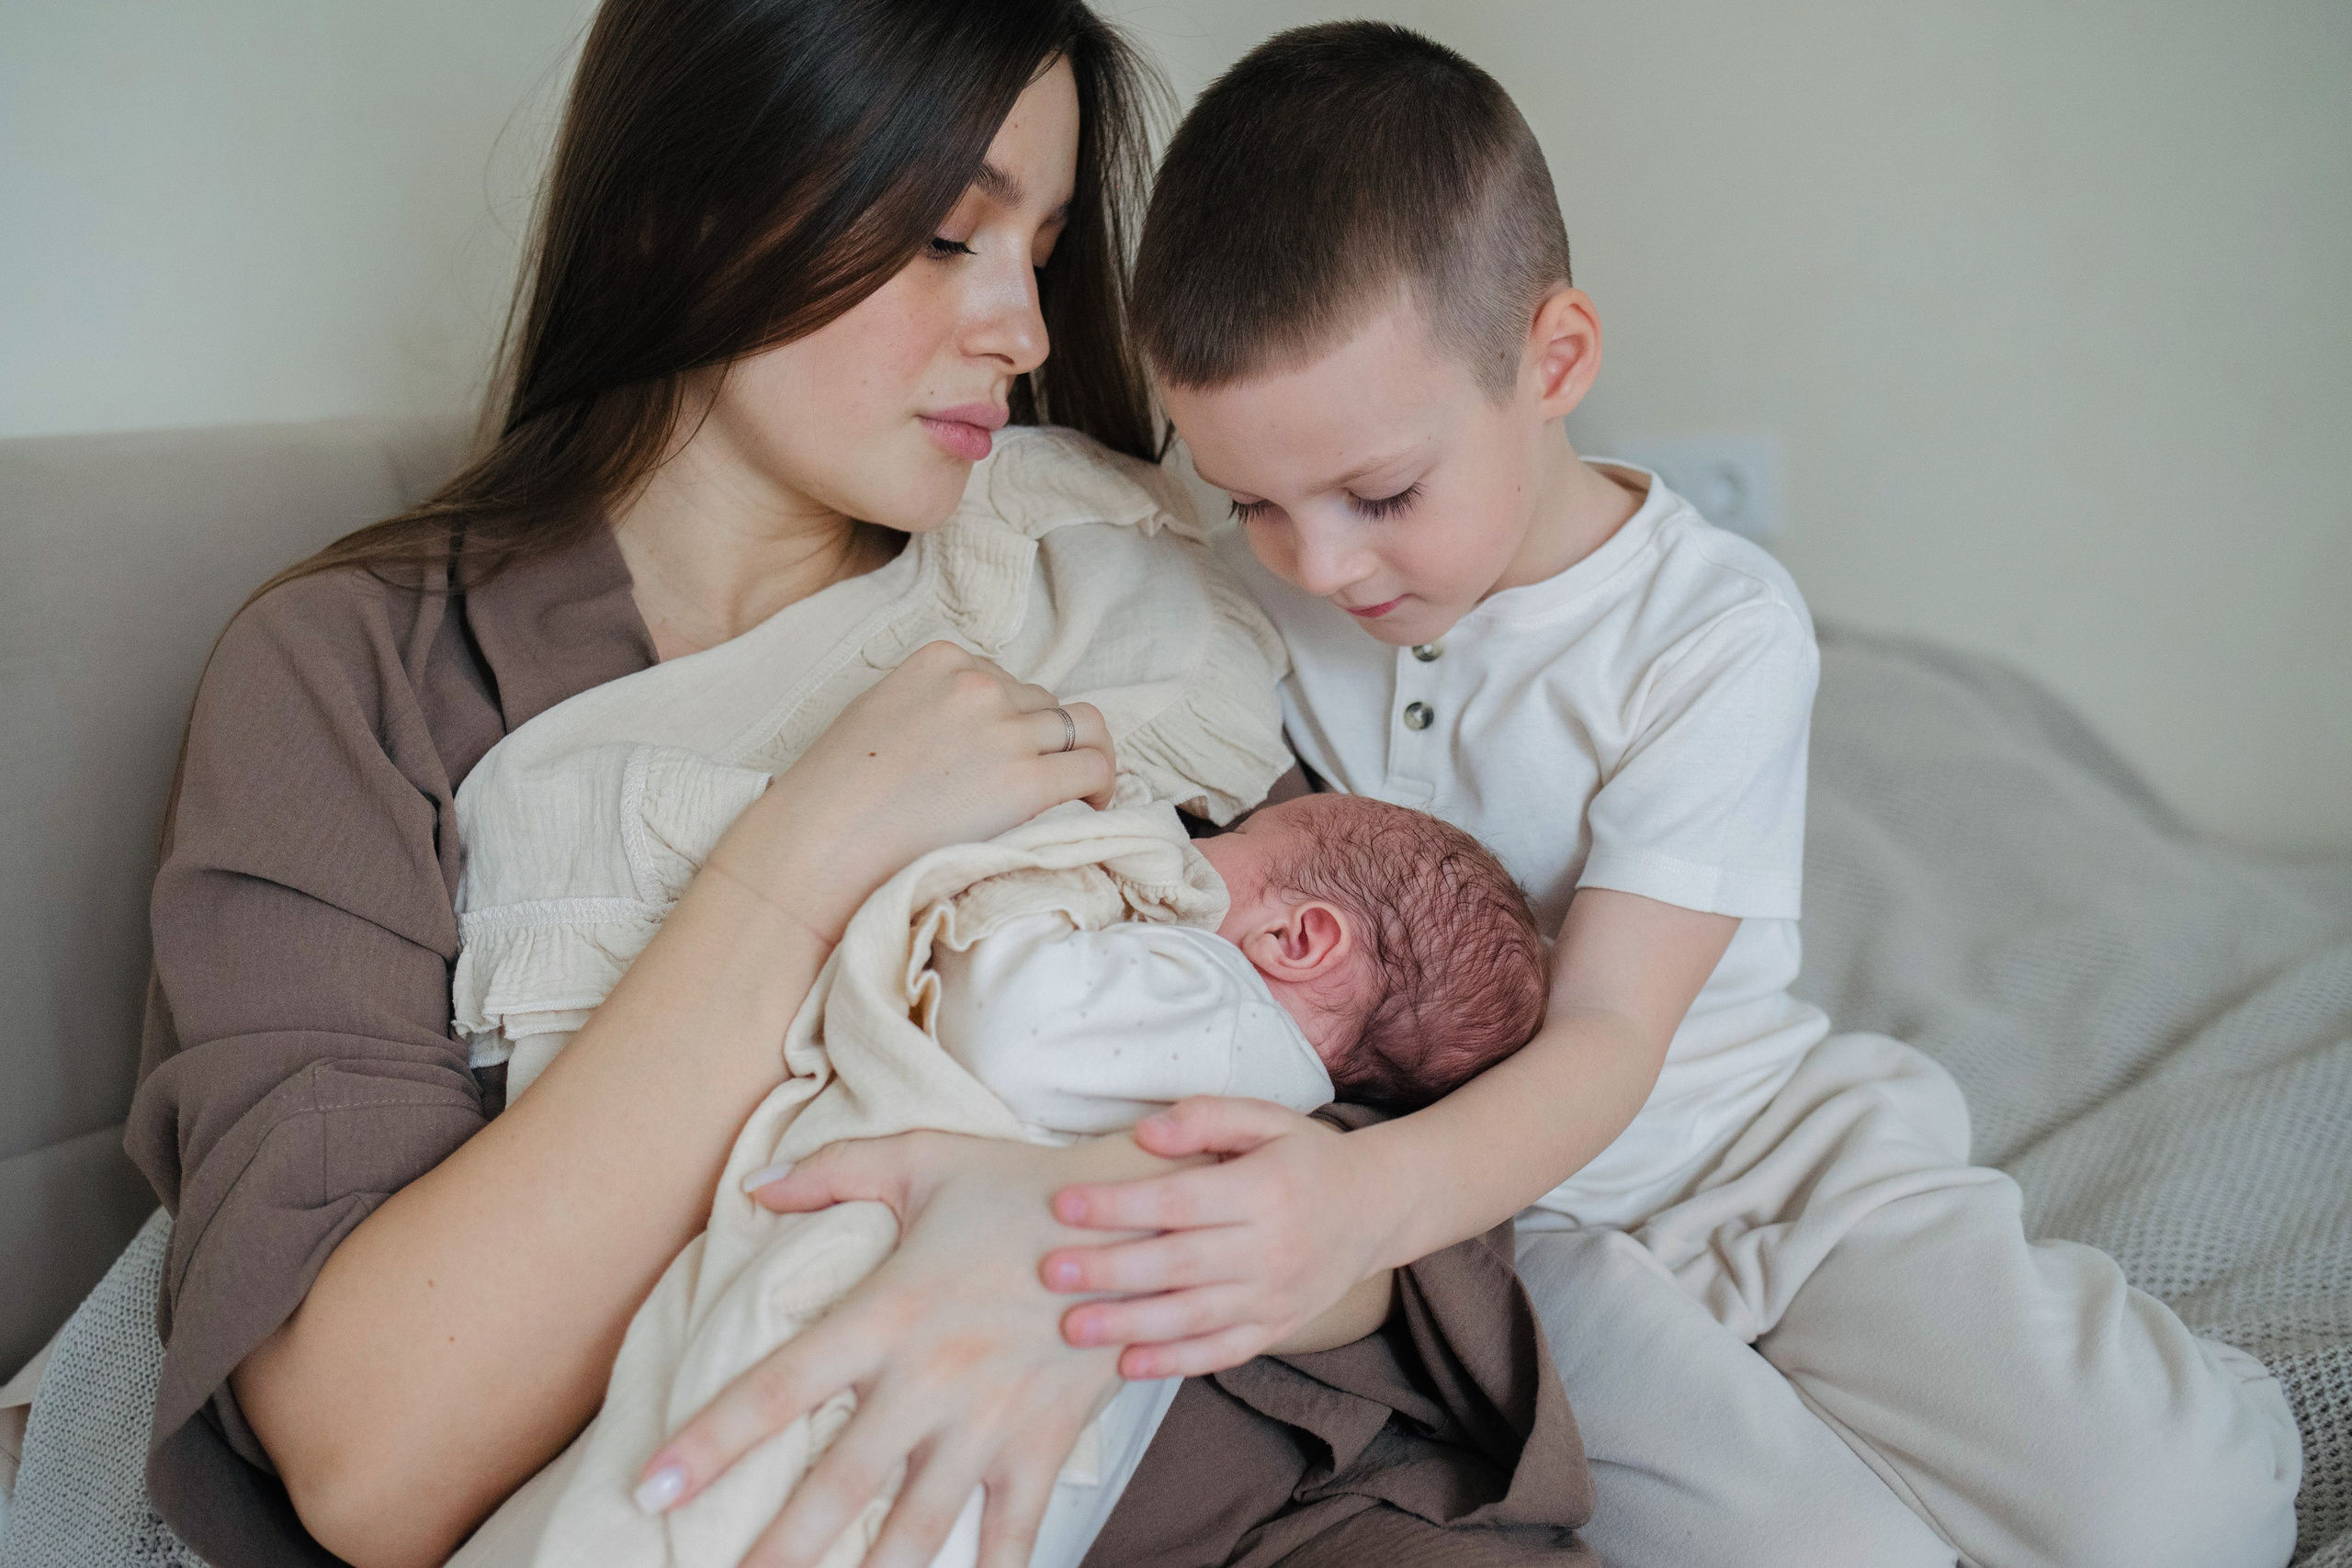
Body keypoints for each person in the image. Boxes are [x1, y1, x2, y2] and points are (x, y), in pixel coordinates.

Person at [1082, 17, 2307, 1568]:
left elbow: (1608, 1034)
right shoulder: (1240, 609)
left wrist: (1361, 1198)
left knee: (2189, 1517)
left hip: (1757, 1146)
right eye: (1252, 498)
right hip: (1521, 1238)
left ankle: (2182, 1408)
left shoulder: (1710, 631)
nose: (1320, 563)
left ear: (1555, 362)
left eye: (1381, 493)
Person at [123, 5, 1275, 1565]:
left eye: (1044, 253)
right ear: (684, 204)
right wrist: (801, 862)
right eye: (947, 236)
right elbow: (372, 1457)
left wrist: (1072, 1253)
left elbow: (1416, 1118)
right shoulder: (356, 678)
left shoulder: (1107, 573)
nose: (1027, 332)